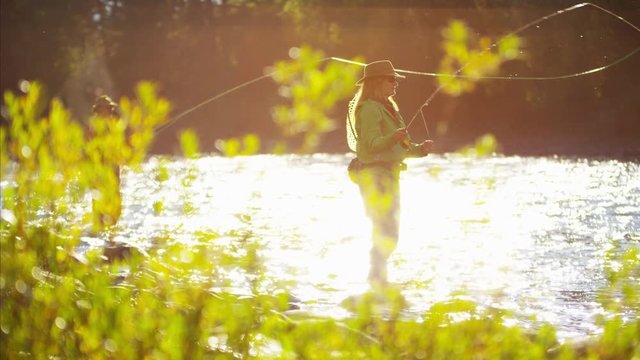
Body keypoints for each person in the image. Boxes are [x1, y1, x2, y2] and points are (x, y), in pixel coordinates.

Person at [347, 60, 433, 289]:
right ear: (376, 82)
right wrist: (393, 138)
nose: (396, 84)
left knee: (390, 230)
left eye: (396, 80)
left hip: (389, 175)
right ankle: (376, 280)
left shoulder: (389, 107)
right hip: (374, 176)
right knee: (385, 228)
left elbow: (400, 147)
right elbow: (372, 144)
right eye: (391, 79)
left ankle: (378, 279)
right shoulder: (368, 109)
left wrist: (419, 150)